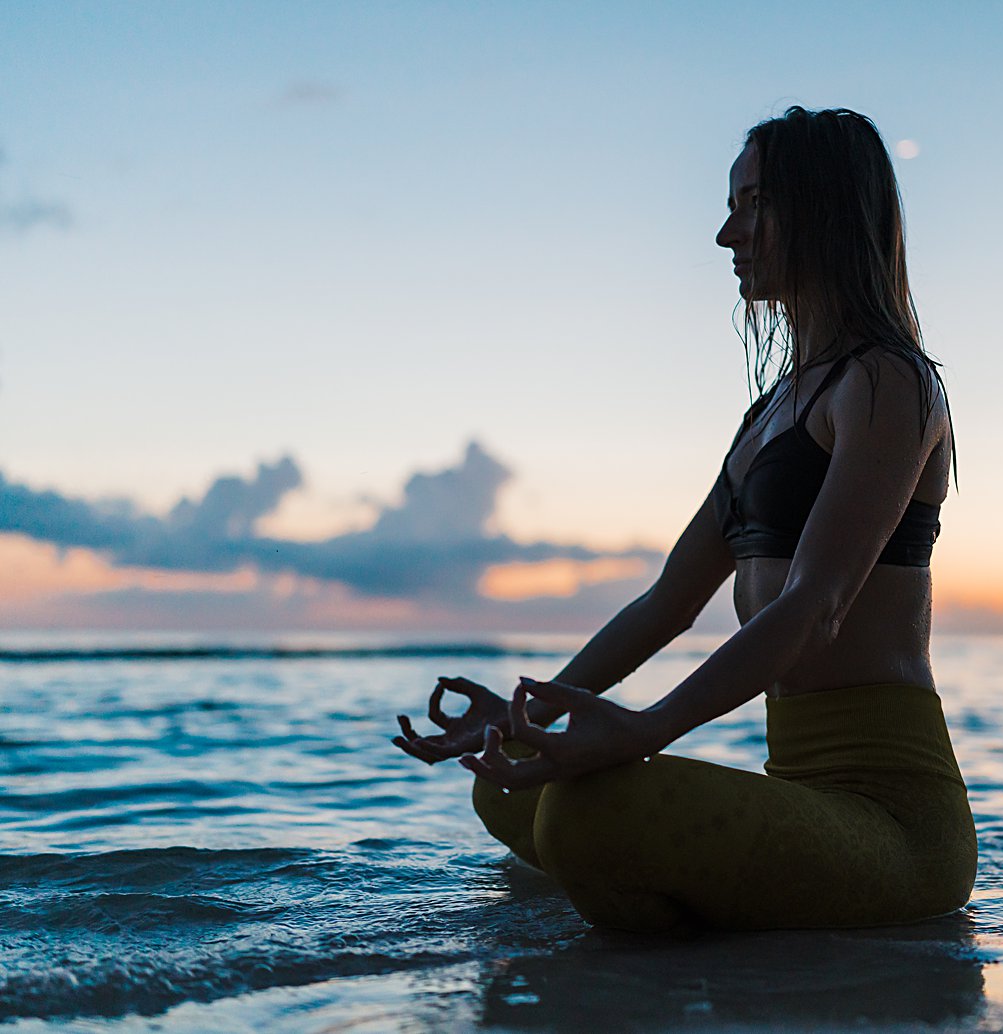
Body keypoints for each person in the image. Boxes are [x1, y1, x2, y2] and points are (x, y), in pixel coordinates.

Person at [392, 106, 973, 934]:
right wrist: (538, 714)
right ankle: (701, 904)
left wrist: (644, 730)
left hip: (896, 826)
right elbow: (668, 602)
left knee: (585, 816)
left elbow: (815, 607)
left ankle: (682, 931)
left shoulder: (889, 385)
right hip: (803, 797)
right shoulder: (768, 416)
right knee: (509, 776)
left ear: (825, 210)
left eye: (753, 204)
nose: (726, 234)